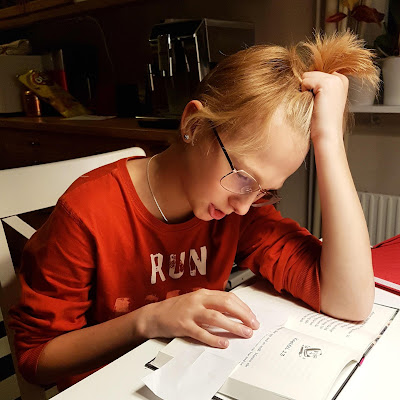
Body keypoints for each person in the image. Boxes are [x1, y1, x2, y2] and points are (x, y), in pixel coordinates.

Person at [9, 31, 379, 391]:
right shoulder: (88, 212)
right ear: (195, 125)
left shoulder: (240, 213)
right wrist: (148, 320)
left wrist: (329, 141)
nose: (244, 205)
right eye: (243, 178)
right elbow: (36, 360)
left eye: (265, 191)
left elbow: (350, 302)